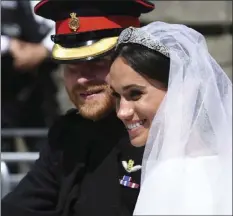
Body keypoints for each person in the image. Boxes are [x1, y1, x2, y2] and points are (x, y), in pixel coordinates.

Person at [1, 0, 155, 216]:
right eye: (71, 66)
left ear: (132, 60)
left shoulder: (167, 134)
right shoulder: (67, 135)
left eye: (97, 62)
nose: (82, 78)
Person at [107, 21, 232, 215]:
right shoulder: (220, 164)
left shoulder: (173, 174)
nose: (122, 112)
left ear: (180, 90)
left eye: (135, 94)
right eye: (117, 96)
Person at [1, 0, 60, 158]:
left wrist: (43, 50)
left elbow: (71, 19)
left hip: (39, 90)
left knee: (47, 152)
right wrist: (8, 44)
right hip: (4, 88)